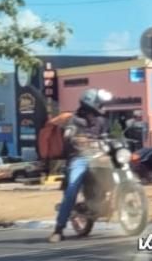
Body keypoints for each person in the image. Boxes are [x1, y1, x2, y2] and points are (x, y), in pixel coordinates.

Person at [48, 88, 112, 243]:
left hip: (99, 157)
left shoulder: (101, 120)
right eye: (100, 102)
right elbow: (69, 136)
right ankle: (58, 229)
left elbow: (106, 137)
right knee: (72, 189)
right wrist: (78, 140)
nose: (102, 105)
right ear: (91, 103)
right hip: (80, 158)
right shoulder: (74, 119)